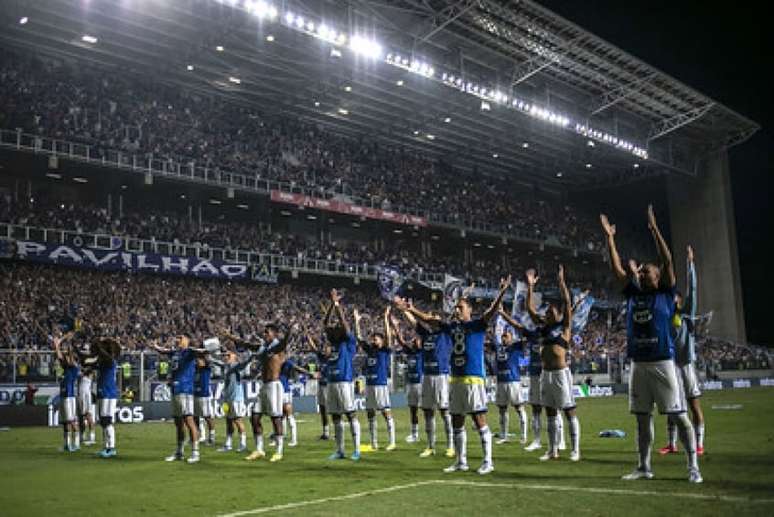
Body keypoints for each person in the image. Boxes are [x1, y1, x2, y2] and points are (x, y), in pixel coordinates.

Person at [601, 206, 702, 483]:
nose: (642, 273)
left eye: (647, 271)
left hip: (662, 362)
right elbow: (617, 268)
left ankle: (693, 466)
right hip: (638, 364)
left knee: (680, 417)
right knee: (642, 419)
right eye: (641, 271)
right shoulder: (633, 293)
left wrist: (654, 229)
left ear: (658, 277)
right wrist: (610, 238)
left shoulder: (667, 294)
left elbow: (668, 261)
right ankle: (644, 467)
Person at [525, 266, 580, 462]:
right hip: (545, 374)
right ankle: (552, 449)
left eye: (550, 311)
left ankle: (575, 450)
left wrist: (562, 282)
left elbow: (567, 301)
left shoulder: (563, 326)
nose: (547, 313)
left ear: (557, 314)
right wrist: (530, 287)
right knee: (549, 412)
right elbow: (529, 310)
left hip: (561, 374)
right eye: (546, 312)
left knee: (569, 411)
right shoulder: (542, 329)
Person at [393, 298, 453, 459]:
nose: (430, 320)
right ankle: (430, 446)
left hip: (441, 375)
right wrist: (403, 309)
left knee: (444, 411)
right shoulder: (426, 334)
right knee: (428, 412)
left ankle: (451, 445)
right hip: (427, 376)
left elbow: (423, 319)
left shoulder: (446, 332)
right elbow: (414, 323)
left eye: (433, 318)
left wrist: (411, 309)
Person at [660, 245, 705, 456]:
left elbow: (692, 291)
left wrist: (690, 265)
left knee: (693, 405)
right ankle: (672, 443)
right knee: (673, 407)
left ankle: (699, 443)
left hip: (686, 365)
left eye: (674, 298)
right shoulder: (664, 315)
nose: (672, 301)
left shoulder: (686, 313)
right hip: (670, 366)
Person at [150, 335, 208, 464]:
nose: (178, 340)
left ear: (187, 340)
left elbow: (202, 352)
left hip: (185, 390)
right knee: (178, 423)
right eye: (177, 338)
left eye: (181, 338)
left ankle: (195, 452)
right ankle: (179, 452)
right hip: (175, 390)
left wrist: (207, 349)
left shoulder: (189, 352)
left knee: (189, 420)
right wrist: (155, 346)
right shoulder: (175, 352)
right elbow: (163, 351)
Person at [324, 289, 362, 461]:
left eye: (338, 328)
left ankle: (357, 449)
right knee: (336, 417)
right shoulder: (333, 342)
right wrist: (332, 305)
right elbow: (326, 323)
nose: (335, 329)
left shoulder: (349, 342)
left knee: (350, 414)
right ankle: (340, 450)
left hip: (344, 382)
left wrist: (337, 304)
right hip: (331, 382)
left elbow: (344, 323)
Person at [355, 307, 397, 451]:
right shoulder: (370, 350)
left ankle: (392, 441)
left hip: (380, 385)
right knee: (370, 414)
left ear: (382, 340)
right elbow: (359, 339)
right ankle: (374, 443)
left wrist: (386, 318)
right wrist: (356, 321)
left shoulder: (385, 350)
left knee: (386, 412)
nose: (373, 339)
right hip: (370, 386)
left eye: (376, 338)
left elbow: (388, 336)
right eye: (373, 338)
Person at [491, 314, 529, 445]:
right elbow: (491, 339)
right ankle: (503, 435)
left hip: (513, 381)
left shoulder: (516, 347)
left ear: (511, 338)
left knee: (519, 408)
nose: (504, 338)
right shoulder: (498, 347)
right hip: (501, 382)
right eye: (503, 337)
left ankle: (523, 436)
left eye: (506, 336)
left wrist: (512, 323)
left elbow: (525, 335)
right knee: (502, 409)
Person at [391, 317, 423, 444]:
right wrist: (395, 327)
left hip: (421, 384)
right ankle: (415, 434)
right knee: (413, 410)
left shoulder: (422, 353)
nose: (415, 341)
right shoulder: (410, 353)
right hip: (411, 384)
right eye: (414, 340)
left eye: (417, 340)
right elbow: (400, 341)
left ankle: (430, 432)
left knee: (427, 410)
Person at [278, 355, 316, 448]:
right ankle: (281, 437)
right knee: (280, 415)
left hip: (285, 391)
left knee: (288, 414)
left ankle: (294, 439)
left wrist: (310, 374)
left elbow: (297, 368)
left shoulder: (287, 363)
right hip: (277, 391)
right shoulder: (275, 360)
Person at [53, 333, 80, 452]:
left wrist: (65, 341)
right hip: (64, 397)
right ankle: (67, 444)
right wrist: (57, 346)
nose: (66, 358)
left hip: (69, 398)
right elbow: (60, 356)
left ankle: (77, 443)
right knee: (65, 422)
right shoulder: (65, 368)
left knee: (71, 420)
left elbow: (70, 357)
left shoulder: (74, 369)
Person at [305, 333, 330, 440]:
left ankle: (338, 431)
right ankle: (326, 432)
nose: (324, 350)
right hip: (321, 385)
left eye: (326, 348)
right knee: (323, 409)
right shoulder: (321, 357)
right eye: (323, 348)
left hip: (330, 386)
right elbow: (314, 348)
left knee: (334, 410)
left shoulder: (334, 359)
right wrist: (308, 337)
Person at [194, 352, 216, 446]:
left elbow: (209, 360)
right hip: (195, 395)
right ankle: (198, 436)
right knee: (195, 417)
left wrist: (205, 353)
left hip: (204, 396)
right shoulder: (195, 370)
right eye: (197, 360)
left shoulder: (206, 369)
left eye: (199, 360)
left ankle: (211, 437)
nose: (198, 362)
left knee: (207, 417)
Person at [78, 368, 96, 446]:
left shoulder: (85, 378)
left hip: (86, 397)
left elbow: (82, 372)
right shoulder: (83, 377)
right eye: (92, 375)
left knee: (88, 416)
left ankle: (92, 437)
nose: (93, 376)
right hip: (82, 396)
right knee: (82, 417)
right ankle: (83, 437)